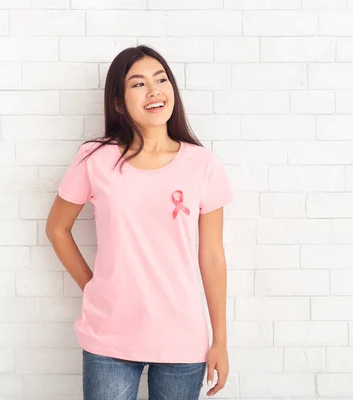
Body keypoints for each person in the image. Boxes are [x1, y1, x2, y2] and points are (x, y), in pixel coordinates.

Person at [45, 45, 233, 400]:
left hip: (182, 335)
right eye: (138, 84)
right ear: (118, 102)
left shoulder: (203, 165)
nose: (154, 90)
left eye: (161, 80)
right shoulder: (95, 158)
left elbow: (211, 257)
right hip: (109, 335)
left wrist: (220, 339)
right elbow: (57, 229)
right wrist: (93, 286)